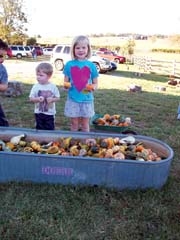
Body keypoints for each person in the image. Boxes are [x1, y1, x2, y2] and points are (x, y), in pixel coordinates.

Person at [63, 35, 98, 132]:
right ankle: (73, 142)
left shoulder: (91, 66)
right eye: (78, 48)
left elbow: (95, 83)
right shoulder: (69, 64)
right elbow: (65, 83)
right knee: (74, 124)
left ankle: (86, 142)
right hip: (73, 100)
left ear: (88, 49)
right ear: (73, 49)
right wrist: (68, 85)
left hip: (86, 100)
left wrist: (92, 87)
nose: (81, 50)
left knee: (85, 124)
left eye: (83, 47)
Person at [29, 62, 60, 130]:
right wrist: (37, 99)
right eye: (37, 75)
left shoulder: (53, 87)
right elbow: (31, 98)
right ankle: (39, 140)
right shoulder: (35, 87)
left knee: (50, 128)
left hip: (50, 113)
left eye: (41, 75)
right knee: (39, 128)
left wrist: (52, 99)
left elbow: (58, 98)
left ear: (49, 76)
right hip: (38, 112)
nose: (38, 77)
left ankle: (49, 140)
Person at [0, 39, 9, 126]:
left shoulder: (2, 69)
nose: (2, 60)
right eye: (0, 56)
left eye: (4, 56)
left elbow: (4, 86)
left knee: (3, 125)